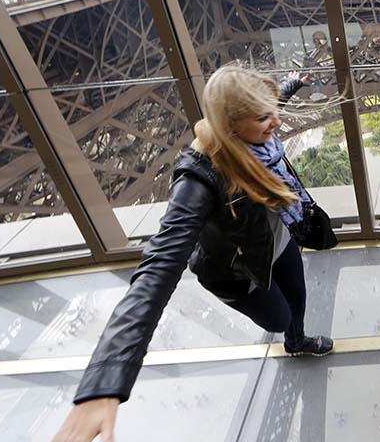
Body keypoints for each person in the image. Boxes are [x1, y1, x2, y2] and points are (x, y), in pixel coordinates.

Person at [52, 66, 334, 442]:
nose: (277, 121)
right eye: (264, 116)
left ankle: (297, 343)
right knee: (279, 317)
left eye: (273, 110)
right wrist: (104, 381)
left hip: (276, 241)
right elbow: (159, 266)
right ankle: (288, 333)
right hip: (235, 270)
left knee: (297, 299)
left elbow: (269, 104)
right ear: (231, 125)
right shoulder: (201, 175)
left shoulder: (256, 137)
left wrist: (293, 83)